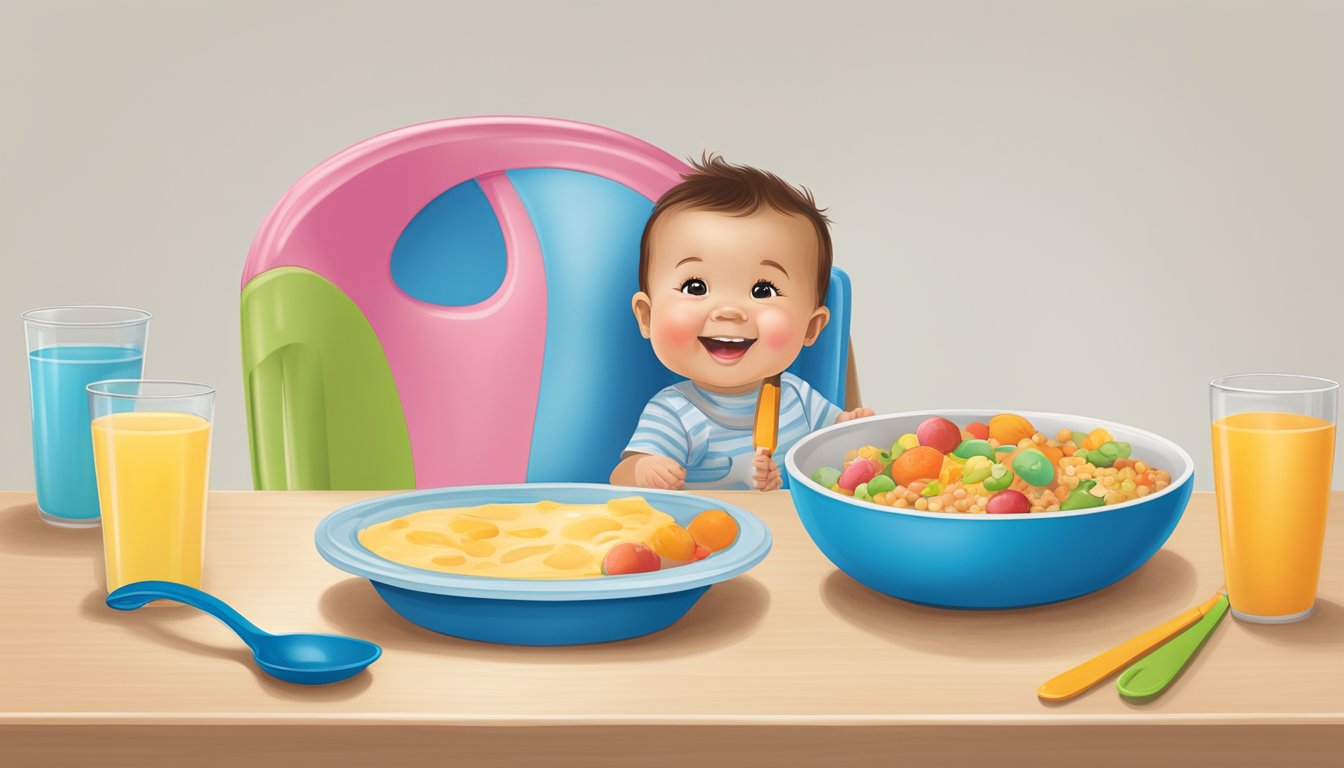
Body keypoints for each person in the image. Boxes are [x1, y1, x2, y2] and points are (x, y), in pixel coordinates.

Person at [610, 154, 873, 491]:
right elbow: (621, 475)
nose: (729, 311)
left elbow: (838, 438)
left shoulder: (796, 396)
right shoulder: (675, 412)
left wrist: (853, 424)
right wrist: (646, 469)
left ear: (811, 328)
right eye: (696, 287)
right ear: (647, 317)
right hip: (709, 534)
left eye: (763, 290)